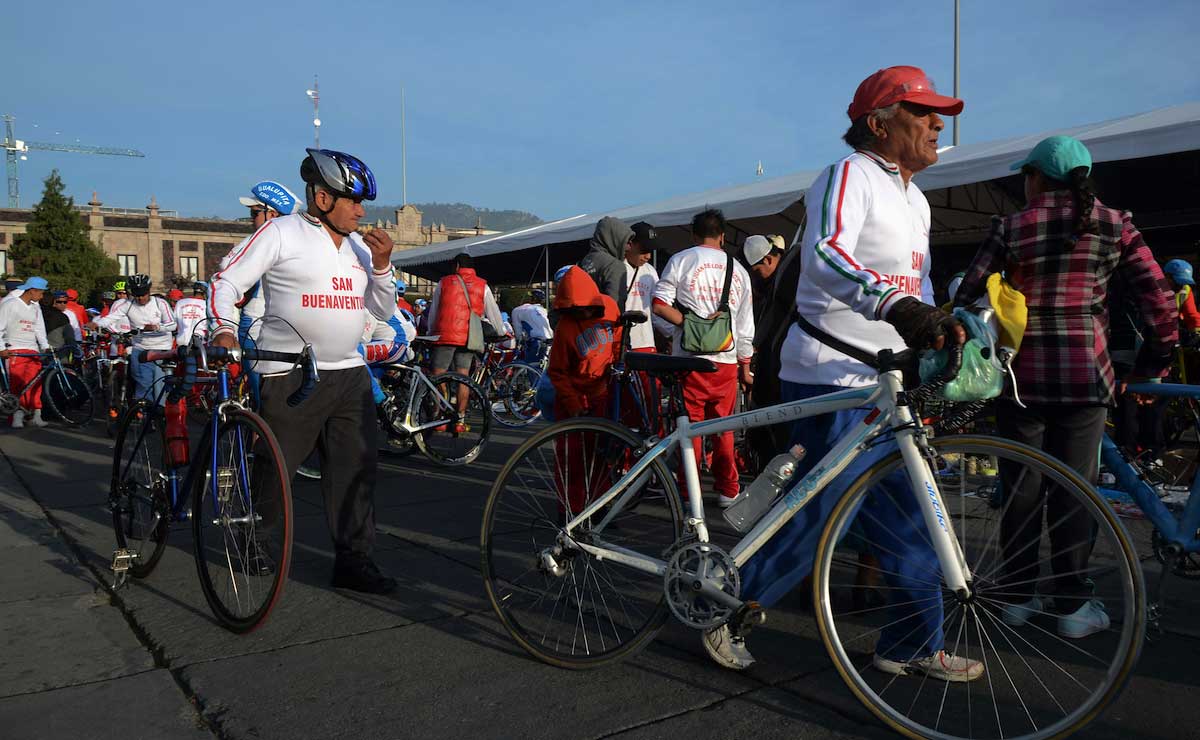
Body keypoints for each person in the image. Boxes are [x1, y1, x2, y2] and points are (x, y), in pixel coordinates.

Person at [716, 66, 981, 682]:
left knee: (913, 510)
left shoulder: (915, 200)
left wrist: (940, 321)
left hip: (885, 380)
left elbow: (914, 285)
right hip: (827, 372)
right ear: (879, 124)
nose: (939, 122)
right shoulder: (848, 175)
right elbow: (828, 256)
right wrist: (898, 307)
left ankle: (911, 642)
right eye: (924, 112)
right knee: (819, 507)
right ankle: (722, 606)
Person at [955, 134, 1177, 638]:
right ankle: (1072, 605)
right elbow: (1160, 302)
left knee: (1020, 489)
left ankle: (1015, 596)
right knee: (1076, 491)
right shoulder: (1117, 224)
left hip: (1019, 378)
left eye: (1025, 176)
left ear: (1036, 177)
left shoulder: (1009, 225)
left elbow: (967, 298)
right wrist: (1152, 365)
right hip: (1086, 374)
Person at [209, 148, 398, 594]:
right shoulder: (281, 232)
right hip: (291, 372)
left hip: (348, 374)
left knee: (356, 470)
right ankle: (252, 537)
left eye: (361, 202)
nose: (361, 210)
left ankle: (354, 560)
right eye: (352, 200)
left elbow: (381, 309)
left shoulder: (357, 248)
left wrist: (384, 267)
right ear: (322, 197)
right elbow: (226, 281)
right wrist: (223, 329)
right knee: (277, 467)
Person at [652, 208, 754, 509]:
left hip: (689, 362)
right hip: (726, 361)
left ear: (693, 235)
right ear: (722, 236)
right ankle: (728, 490)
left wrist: (684, 329)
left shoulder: (681, 260)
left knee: (691, 429)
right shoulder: (739, 270)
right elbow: (746, 325)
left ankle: (689, 493)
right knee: (724, 428)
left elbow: (658, 305)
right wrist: (745, 364)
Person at [547, 267, 622, 511]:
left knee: (601, 455)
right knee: (571, 459)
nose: (582, 314)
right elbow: (557, 372)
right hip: (572, 400)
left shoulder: (610, 309)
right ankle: (569, 510)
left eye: (585, 309)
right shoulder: (565, 328)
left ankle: (599, 508)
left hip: (601, 394)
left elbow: (619, 338)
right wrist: (573, 404)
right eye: (576, 310)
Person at [425, 253, 504, 429]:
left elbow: (434, 311)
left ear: (458, 266)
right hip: (469, 337)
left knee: (438, 376)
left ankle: (440, 418)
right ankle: (459, 420)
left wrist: (431, 332)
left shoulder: (444, 282)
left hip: (444, 336)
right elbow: (493, 312)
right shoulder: (483, 285)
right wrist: (501, 331)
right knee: (463, 377)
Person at [90, 274, 177, 404]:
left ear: (148, 291)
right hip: (140, 348)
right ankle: (143, 412)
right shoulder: (127, 305)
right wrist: (97, 323)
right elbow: (111, 317)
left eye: (143, 294)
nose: (140, 298)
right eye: (137, 295)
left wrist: (156, 327)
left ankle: (161, 412)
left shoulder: (160, 303)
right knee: (143, 383)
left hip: (162, 349)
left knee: (160, 386)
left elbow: (173, 325)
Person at [0, 277, 51, 428]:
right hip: (14, 349)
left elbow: (39, 329)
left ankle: (36, 414)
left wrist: (45, 346)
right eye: (41, 292)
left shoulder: (36, 307)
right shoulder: (9, 304)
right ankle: (17, 415)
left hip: (32, 350)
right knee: (17, 384)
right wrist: (2, 348)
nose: (42, 296)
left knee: (35, 384)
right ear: (32, 291)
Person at [579, 216, 635, 305]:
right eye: (627, 242)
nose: (629, 247)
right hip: (606, 318)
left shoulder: (583, 263)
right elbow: (615, 306)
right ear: (614, 239)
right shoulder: (614, 266)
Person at [510, 289, 553, 363]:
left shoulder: (517, 310)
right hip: (550, 341)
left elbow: (518, 333)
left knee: (532, 367)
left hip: (535, 342)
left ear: (532, 299)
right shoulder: (544, 310)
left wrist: (519, 342)